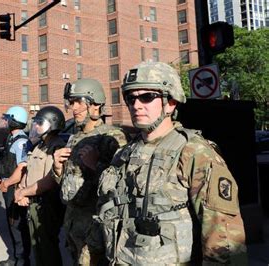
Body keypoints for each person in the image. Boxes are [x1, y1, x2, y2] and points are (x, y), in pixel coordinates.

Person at [96, 62, 247, 265]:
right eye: (131, 98)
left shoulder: (193, 151)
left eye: (147, 97)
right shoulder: (124, 154)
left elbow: (224, 235)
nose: (136, 105)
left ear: (171, 102)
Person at [51, 79, 128, 265]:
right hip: (72, 223)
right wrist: (57, 169)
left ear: (95, 106)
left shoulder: (112, 137)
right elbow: (67, 184)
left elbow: (122, 185)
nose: (73, 108)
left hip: (94, 228)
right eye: (72, 102)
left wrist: (95, 165)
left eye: (79, 102)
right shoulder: (74, 138)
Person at [13, 106, 67, 266]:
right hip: (34, 203)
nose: (35, 126)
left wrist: (23, 192)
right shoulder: (40, 145)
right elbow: (28, 172)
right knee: (38, 248)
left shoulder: (56, 148)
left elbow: (49, 181)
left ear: (52, 124)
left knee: (47, 249)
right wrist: (20, 191)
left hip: (46, 206)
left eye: (40, 123)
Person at [0, 106, 31, 266]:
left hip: (15, 188)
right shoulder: (11, 138)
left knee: (17, 225)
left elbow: (22, 168)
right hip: (7, 186)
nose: (6, 121)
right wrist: (0, 178)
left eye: (8, 118)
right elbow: (7, 163)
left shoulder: (21, 141)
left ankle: (22, 260)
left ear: (15, 121)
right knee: (12, 224)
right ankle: (15, 257)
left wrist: (7, 183)